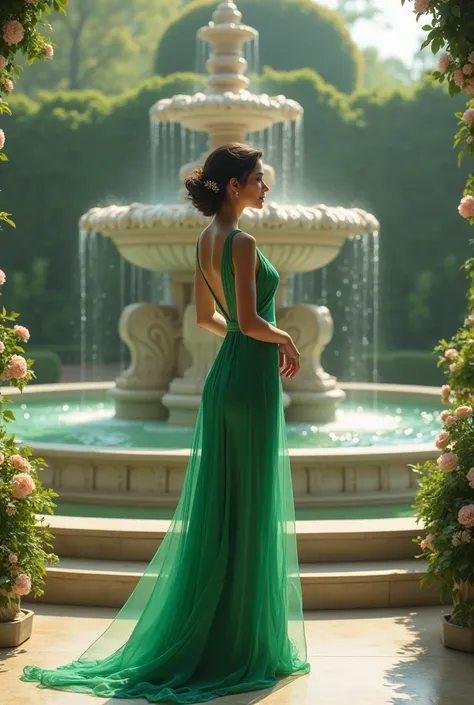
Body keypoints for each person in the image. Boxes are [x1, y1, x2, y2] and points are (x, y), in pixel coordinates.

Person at [21, 142, 310, 702]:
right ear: (233, 186)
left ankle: (222, 631)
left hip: (226, 378)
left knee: (226, 507)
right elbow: (250, 320)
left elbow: (207, 318)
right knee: (247, 505)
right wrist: (287, 336)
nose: (265, 187)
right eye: (257, 178)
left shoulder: (205, 240)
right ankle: (240, 643)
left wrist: (247, 334)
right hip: (248, 383)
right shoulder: (243, 241)